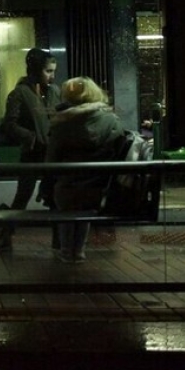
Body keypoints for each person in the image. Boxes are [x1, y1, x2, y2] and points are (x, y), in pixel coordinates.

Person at [0, 48, 61, 255]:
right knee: (22, 197)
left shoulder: (54, 92)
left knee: (55, 198)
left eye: (53, 71)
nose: (52, 76)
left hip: (52, 153)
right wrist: (31, 137)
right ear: (35, 70)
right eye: (48, 71)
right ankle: (5, 238)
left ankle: (59, 242)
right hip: (33, 152)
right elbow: (9, 125)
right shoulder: (19, 93)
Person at [46, 76, 124, 263]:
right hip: (98, 185)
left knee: (67, 208)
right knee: (84, 210)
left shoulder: (63, 123)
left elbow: (51, 158)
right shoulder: (111, 120)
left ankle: (66, 251)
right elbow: (118, 146)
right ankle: (79, 250)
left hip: (67, 186)